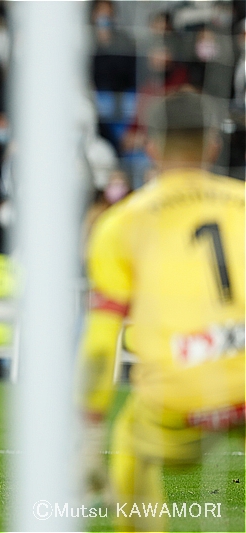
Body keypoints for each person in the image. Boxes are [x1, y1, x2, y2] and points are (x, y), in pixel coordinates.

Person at [78, 90, 244, 531]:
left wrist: (89, 427)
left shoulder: (121, 223)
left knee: (130, 445)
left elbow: (100, 342)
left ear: (150, 145)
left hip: (180, 390)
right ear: (213, 144)